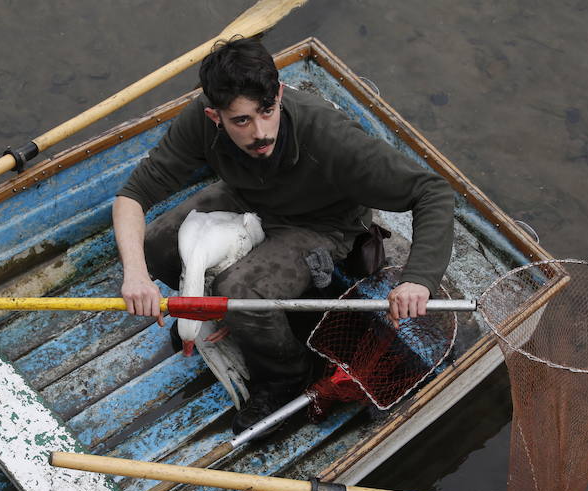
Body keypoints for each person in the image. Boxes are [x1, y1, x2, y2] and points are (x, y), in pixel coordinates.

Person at [112, 37, 454, 434]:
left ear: (279, 94)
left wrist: (418, 279)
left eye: (267, 112)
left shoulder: (329, 136)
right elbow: (132, 196)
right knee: (155, 246)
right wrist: (135, 275)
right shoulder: (199, 121)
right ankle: (212, 309)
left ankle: (284, 376)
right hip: (247, 197)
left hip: (319, 223)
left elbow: (432, 192)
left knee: (240, 291)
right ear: (214, 116)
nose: (261, 133)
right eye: (241, 121)